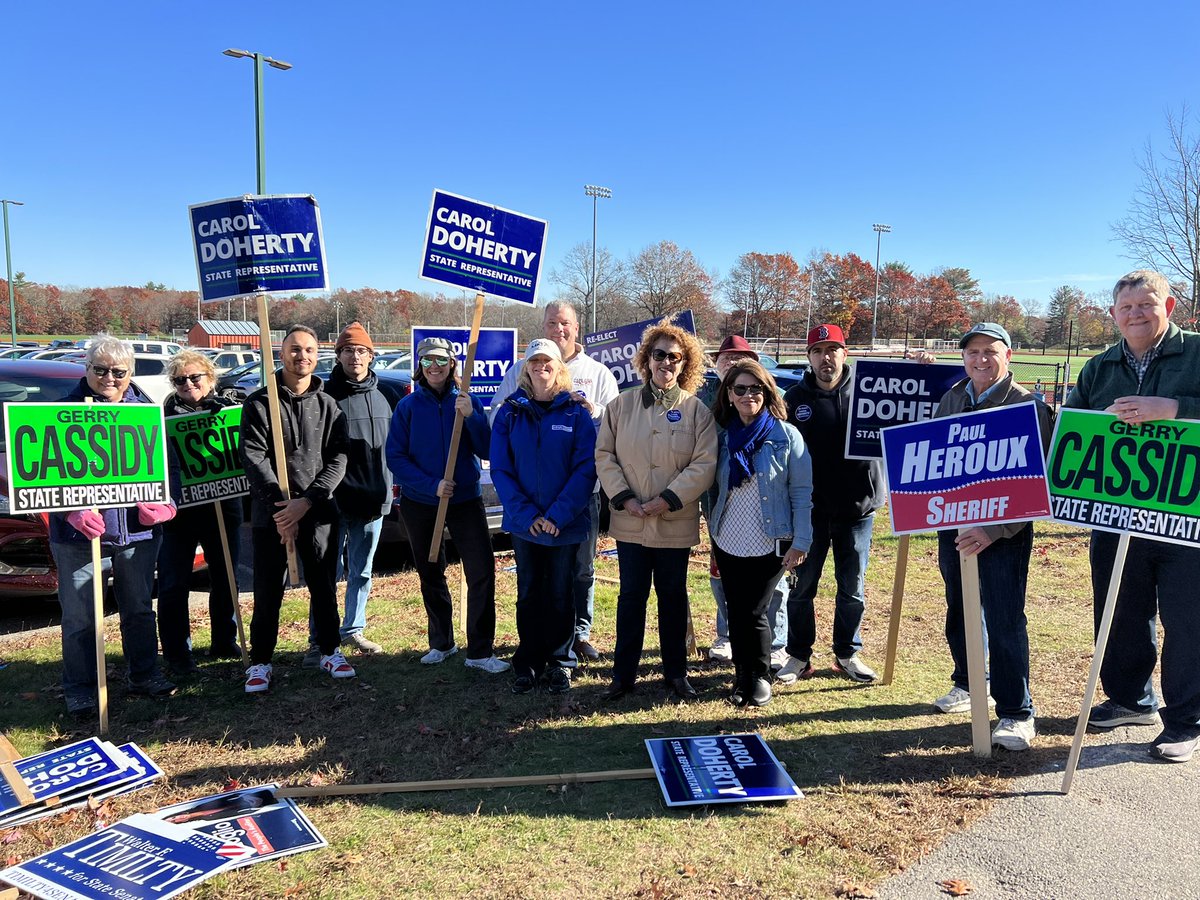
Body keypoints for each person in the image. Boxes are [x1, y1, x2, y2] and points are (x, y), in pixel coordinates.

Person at [1066, 270, 1200, 763]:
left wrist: (1174, 407)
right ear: (1113, 315)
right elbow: (1071, 425)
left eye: (1147, 304)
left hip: (1187, 518)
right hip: (1117, 514)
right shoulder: (1099, 367)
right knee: (1120, 610)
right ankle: (1130, 699)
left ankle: (1185, 720)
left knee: (1189, 621)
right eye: (1127, 307)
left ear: (1170, 306)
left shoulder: (1197, 353)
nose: (1136, 314)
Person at [930, 322, 1052, 751]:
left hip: (1004, 533)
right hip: (955, 527)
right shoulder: (953, 397)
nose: (981, 359)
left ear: (1009, 355)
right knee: (960, 609)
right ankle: (968, 682)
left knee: (1004, 620)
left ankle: (1017, 713)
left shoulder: (1028, 406)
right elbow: (936, 458)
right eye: (973, 352)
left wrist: (993, 529)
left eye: (991, 351)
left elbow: (1038, 483)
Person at [49, 334, 178, 716]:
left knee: (138, 608)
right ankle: (81, 688)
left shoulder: (146, 413)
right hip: (77, 538)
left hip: (136, 534)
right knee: (79, 617)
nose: (109, 378)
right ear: (86, 369)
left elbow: (171, 472)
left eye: (118, 372)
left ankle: (144, 673)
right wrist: (67, 510)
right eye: (99, 369)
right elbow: (40, 480)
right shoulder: (56, 412)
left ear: (131, 373)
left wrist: (167, 506)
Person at [596, 318, 717, 701]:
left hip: (673, 523)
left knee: (672, 597)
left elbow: (704, 464)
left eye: (675, 357)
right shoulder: (621, 406)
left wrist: (667, 499)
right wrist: (625, 498)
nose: (666, 363)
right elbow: (604, 456)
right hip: (631, 522)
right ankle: (623, 675)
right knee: (631, 597)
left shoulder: (697, 411)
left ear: (685, 364)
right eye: (659, 354)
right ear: (646, 359)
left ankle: (676, 673)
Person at [491, 301, 618, 661]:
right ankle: (541, 642)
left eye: (565, 323)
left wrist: (592, 410)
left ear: (577, 328)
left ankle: (577, 636)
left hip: (579, 497)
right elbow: (498, 423)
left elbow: (616, 424)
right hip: (528, 505)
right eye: (551, 323)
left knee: (580, 570)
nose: (558, 329)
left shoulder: (598, 374)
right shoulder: (519, 369)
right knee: (535, 581)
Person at [240, 325, 352, 693]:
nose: (301, 356)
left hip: (318, 512)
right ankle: (261, 661)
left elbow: (338, 457)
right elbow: (253, 456)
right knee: (267, 589)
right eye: (293, 349)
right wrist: (282, 510)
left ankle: (330, 650)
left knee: (323, 585)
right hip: (271, 515)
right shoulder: (259, 403)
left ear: (317, 356)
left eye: (308, 350)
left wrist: (306, 502)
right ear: (281, 353)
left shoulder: (329, 405)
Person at [387, 337, 507, 673]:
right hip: (421, 502)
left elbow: (486, 450)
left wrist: (472, 418)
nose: (435, 367)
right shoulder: (408, 407)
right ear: (420, 366)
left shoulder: (467, 401)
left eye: (441, 360)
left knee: (481, 571)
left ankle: (480, 652)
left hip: (465, 500)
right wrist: (432, 484)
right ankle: (442, 642)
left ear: (452, 364)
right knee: (430, 570)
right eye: (427, 361)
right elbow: (395, 456)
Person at [777, 324, 886, 685]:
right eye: (819, 350)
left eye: (833, 349)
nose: (827, 357)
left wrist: (922, 365)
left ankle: (847, 653)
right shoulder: (793, 399)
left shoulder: (872, 391)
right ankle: (798, 656)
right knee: (802, 587)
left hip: (858, 509)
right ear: (808, 357)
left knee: (852, 588)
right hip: (809, 513)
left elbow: (917, 403)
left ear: (845, 352)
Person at [491, 339, 598, 694]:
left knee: (560, 593)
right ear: (526, 368)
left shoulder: (576, 413)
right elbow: (501, 470)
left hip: (564, 525)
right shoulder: (509, 413)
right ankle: (529, 660)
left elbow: (586, 469)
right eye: (534, 361)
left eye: (547, 361)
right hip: (526, 525)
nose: (541, 367)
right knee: (529, 592)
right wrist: (527, 515)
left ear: (559, 367)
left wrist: (556, 515)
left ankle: (561, 661)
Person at [706, 359, 811, 707]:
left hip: (771, 538)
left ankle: (760, 676)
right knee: (735, 609)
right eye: (740, 389)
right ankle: (742, 676)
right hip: (728, 536)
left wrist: (802, 540)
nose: (748, 395)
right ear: (730, 395)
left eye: (756, 388)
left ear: (767, 393)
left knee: (756, 610)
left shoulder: (786, 435)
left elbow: (801, 491)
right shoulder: (722, 437)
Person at [302, 322, 392, 665]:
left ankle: (353, 627)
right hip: (332, 501)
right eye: (349, 350)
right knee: (325, 573)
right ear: (338, 355)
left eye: (362, 351)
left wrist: (388, 491)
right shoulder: (323, 397)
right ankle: (318, 638)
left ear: (371, 356)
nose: (356, 357)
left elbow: (391, 450)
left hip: (372, 500)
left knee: (362, 570)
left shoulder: (386, 397)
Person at [696, 334, 790, 667]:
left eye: (742, 357)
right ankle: (728, 637)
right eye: (727, 358)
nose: (734, 364)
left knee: (772, 583)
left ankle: (776, 641)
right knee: (724, 576)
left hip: (768, 512)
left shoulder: (771, 404)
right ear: (716, 363)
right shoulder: (705, 401)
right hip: (721, 509)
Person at [157, 349, 242, 676]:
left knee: (226, 579)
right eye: (180, 380)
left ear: (210, 378)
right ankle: (178, 653)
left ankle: (224, 640)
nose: (188, 384)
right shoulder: (162, 416)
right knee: (173, 583)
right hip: (179, 513)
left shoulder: (230, 409)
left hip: (223, 506)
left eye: (195, 377)